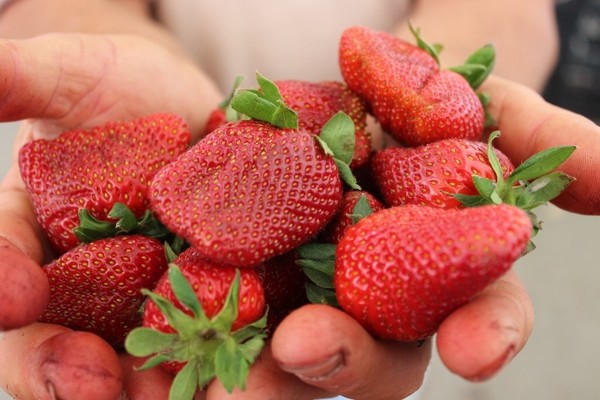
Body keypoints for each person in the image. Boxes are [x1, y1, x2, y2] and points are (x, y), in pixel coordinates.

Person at [0, 1, 598, 399]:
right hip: (226, 127)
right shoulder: (272, 177)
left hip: (299, 151)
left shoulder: (348, 170)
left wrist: (449, 78)